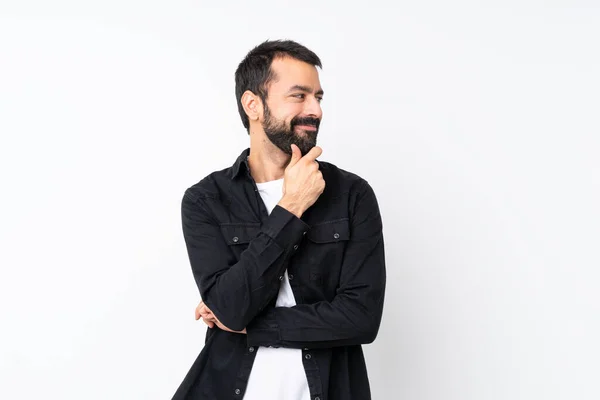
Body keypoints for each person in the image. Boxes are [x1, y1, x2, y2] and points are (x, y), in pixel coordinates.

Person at [172, 39, 386, 400]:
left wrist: (248, 326)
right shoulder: (206, 200)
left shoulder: (351, 195)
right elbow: (230, 306)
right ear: (253, 104)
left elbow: (361, 318)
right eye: (298, 96)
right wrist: (291, 207)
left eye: (318, 97)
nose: (315, 109)